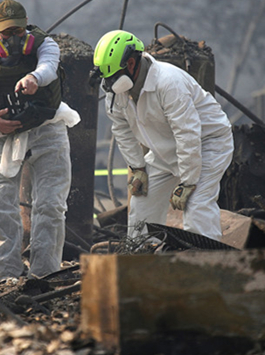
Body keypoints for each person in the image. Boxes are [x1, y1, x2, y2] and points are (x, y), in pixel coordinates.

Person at [0, 0, 80, 284]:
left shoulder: (44, 45)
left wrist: (34, 78)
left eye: (19, 32)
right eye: (6, 33)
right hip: (0, 134)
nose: (13, 39)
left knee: (50, 205)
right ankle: (6, 275)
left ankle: (45, 274)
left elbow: (49, 66)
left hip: (47, 129)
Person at [93, 30, 234, 241]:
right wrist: (138, 168)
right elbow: (121, 130)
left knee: (196, 206)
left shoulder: (168, 82)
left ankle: (206, 264)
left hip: (207, 143)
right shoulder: (115, 92)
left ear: (131, 63)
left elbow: (187, 133)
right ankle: (144, 259)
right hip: (166, 149)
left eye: (113, 76)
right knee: (141, 202)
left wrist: (187, 182)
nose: (110, 84)